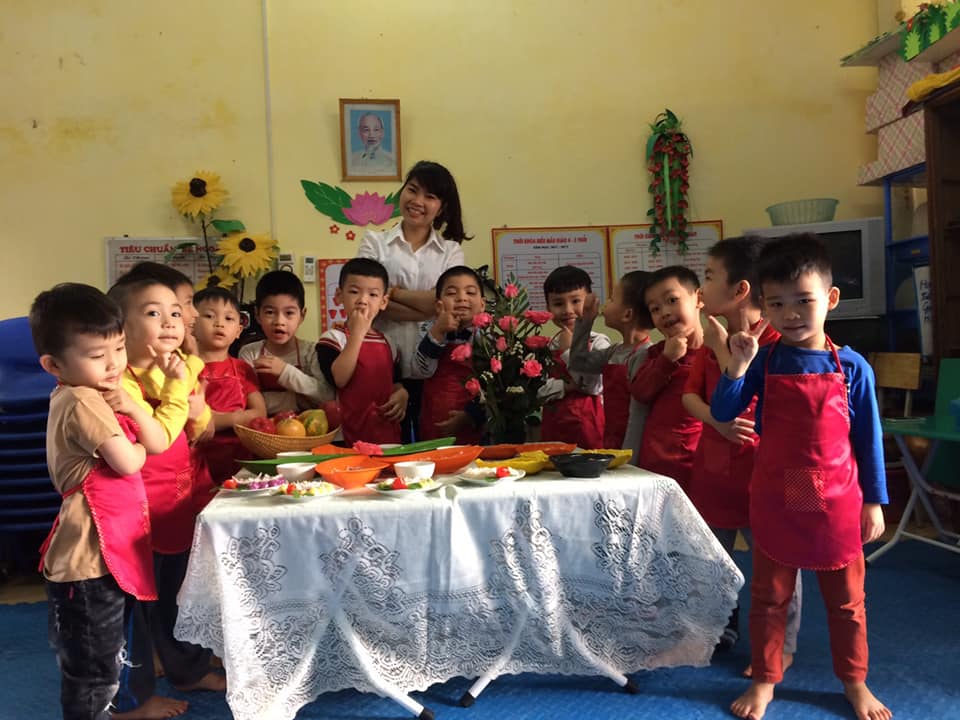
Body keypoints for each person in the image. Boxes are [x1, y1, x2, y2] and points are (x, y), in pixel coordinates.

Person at [712, 233, 890, 720]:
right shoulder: (764, 361)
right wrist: (737, 366)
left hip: (838, 501)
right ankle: (766, 678)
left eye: (803, 301)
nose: (790, 314)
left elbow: (869, 439)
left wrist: (874, 501)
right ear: (763, 305)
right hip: (777, 498)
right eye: (777, 303)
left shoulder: (852, 367)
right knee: (769, 597)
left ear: (830, 298)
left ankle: (855, 681)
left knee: (848, 602)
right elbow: (723, 411)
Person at [29, 283, 185, 720]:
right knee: (92, 664)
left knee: (114, 644)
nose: (114, 363)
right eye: (98, 356)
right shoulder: (82, 399)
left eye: (118, 348)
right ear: (53, 365)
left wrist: (132, 407)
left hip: (109, 552)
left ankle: (124, 708)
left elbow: (156, 441)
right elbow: (131, 460)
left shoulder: (97, 392)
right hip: (89, 558)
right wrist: (131, 440)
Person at [680, 237, 802, 669]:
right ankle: (718, 630)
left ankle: (781, 646)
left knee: (778, 562)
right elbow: (691, 397)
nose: (701, 289)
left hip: (765, 472)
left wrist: (724, 355)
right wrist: (716, 422)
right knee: (711, 560)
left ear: (740, 290)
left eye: (709, 276)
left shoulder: (780, 343)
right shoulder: (714, 338)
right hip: (715, 470)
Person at [107, 275, 225, 713]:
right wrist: (181, 394)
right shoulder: (120, 382)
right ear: (121, 327)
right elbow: (158, 436)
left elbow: (198, 431)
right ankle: (131, 696)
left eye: (176, 312)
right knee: (134, 610)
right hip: (136, 514)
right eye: (154, 313)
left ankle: (187, 670)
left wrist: (200, 410)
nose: (172, 321)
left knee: (179, 595)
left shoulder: (180, 368)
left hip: (176, 504)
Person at [356, 160, 472, 442]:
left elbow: (448, 305)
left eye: (429, 196)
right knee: (384, 448)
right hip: (382, 368)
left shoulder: (450, 252)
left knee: (433, 450)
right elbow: (367, 301)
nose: (417, 201)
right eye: (412, 190)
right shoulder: (374, 243)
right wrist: (429, 308)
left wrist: (392, 294)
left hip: (436, 368)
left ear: (441, 208)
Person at [316, 258, 409, 444]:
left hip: (386, 434)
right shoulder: (333, 338)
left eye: (373, 295)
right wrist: (357, 333)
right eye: (354, 292)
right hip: (347, 436)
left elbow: (394, 382)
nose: (363, 301)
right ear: (339, 295)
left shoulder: (389, 342)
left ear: (383, 302)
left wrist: (402, 393)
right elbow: (340, 379)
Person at [630, 265, 705, 491]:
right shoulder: (655, 354)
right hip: (655, 464)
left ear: (699, 298)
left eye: (672, 300)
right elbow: (640, 393)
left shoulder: (715, 352)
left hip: (698, 463)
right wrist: (667, 359)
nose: (664, 312)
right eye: (655, 308)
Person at [568, 270, 653, 459]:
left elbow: (638, 418)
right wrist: (585, 321)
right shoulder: (614, 351)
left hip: (631, 448)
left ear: (627, 314)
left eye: (612, 299)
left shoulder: (644, 355)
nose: (606, 304)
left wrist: (629, 459)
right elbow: (578, 362)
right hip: (611, 440)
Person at [193, 287, 267, 498]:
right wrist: (239, 417)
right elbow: (188, 419)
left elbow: (259, 413)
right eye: (209, 316)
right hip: (197, 458)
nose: (219, 323)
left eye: (228, 318)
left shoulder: (242, 368)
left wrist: (217, 419)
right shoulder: (184, 368)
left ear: (238, 331)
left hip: (240, 457)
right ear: (191, 324)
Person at [407, 265, 487, 444]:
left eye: (470, 292)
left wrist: (470, 415)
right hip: (433, 419)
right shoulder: (427, 329)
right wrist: (437, 331)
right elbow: (420, 371)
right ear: (438, 305)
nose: (462, 298)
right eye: (452, 293)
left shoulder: (488, 338)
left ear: (482, 304)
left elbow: (493, 387)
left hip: (473, 423)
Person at [238, 270, 334, 415]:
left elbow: (327, 396)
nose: (279, 322)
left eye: (289, 313)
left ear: (302, 315)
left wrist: (285, 371)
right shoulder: (250, 353)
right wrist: (297, 400)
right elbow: (245, 401)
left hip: (306, 429)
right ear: (257, 315)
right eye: (270, 312)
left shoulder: (312, 351)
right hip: (261, 428)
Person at [538, 266, 610, 449]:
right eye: (558, 304)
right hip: (554, 430)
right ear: (548, 308)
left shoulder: (598, 342)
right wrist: (567, 386)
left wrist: (568, 351)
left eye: (576, 301)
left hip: (591, 431)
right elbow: (537, 391)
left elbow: (593, 386)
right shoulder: (546, 347)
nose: (567, 310)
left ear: (590, 303)